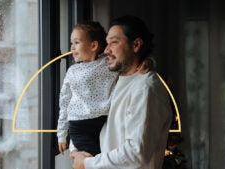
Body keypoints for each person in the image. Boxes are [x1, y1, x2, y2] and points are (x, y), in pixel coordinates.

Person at [72, 15, 172, 169]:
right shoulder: (114, 79)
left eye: (114, 42)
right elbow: (86, 111)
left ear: (136, 44)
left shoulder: (145, 89)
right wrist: (76, 149)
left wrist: (87, 163)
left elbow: (136, 154)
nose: (106, 51)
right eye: (107, 43)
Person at [56, 21, 119, 156]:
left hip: (105, 121)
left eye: (77, 42)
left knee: (105, 159)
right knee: (90, 160)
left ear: (93, 45)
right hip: (80, 126)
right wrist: (61, 134)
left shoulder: (108, 63)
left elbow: (129, 61)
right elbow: (64, 102)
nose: (72, 47)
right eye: (71, 43)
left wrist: (146, 62)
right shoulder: (72, 71)